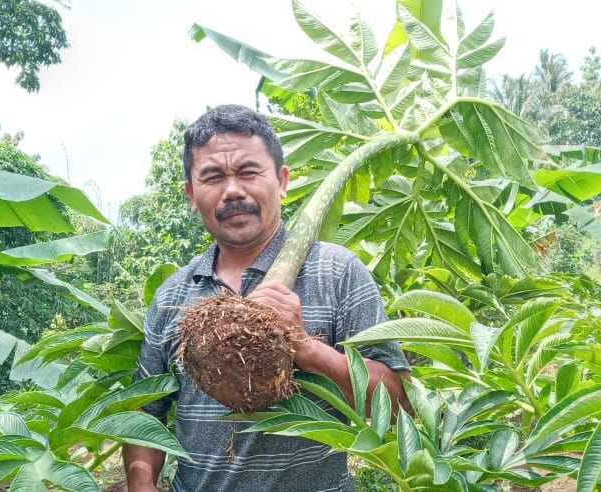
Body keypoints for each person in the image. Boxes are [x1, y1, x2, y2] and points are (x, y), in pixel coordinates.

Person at [123, 104, 411, 492]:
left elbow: (400, 409)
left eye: (248, 171)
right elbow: (146, 414)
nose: (232, 191)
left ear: (282, 180)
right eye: (212, 177)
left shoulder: (338, 273)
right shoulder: (173, 294)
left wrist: (306, 347)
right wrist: (141, 483)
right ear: (192, 194)